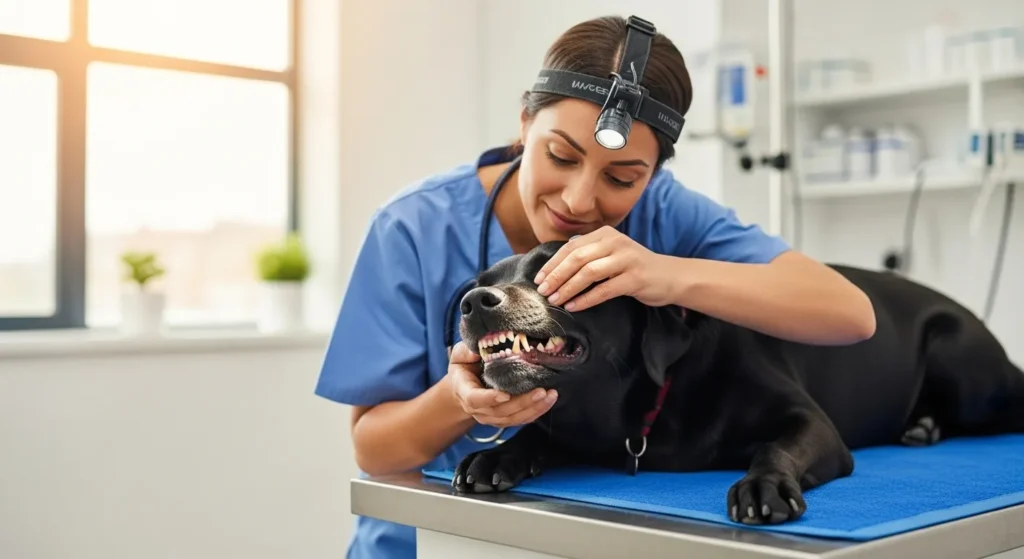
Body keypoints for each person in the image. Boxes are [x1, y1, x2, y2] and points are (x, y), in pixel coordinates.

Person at [314, 14, 876, 559]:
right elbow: (376, 450)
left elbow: (850, 314)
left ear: (653, 176)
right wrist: (459, 402)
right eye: (560, 155)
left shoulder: (663, 213)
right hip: (431, 541)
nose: (580, 201)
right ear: (525, 125)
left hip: (587, 532)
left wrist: (665, 273)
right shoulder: (413, 229)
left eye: (622, 177)